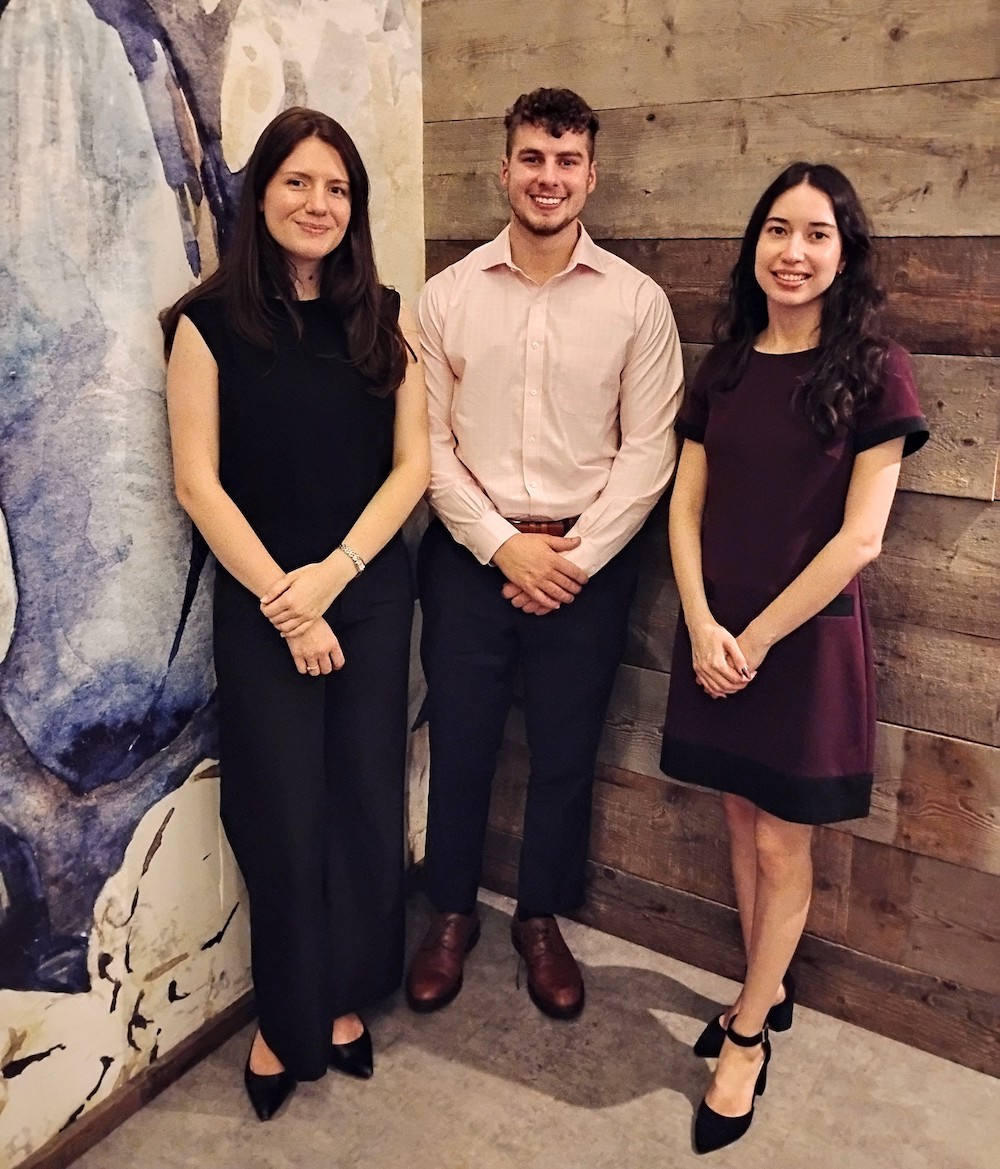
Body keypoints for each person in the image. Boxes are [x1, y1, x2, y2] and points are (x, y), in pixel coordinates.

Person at [162, 107, 429, 1121]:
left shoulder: (381, 317)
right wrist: (289, 596)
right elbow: (197, 483)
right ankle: (285, 1014)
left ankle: (349, 995)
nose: (318, 205)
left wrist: (338, 574)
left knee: (364, 797)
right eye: (298, 183)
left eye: (338, 189)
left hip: (364, 595)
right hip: (262, 601)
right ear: (260, 195)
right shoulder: (208, 323)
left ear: (352, 208)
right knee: (279, 810)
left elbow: (413, 466)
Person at [660, 161, 928, 1153]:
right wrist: (697, 622)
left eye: (817, 233)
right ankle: (761, 991)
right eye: (778, 229)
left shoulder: (874, 367)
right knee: (738, 818)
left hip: (801, 648)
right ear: (754, 244)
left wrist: (756, 637)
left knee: (783, 840)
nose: (794, 250)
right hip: (715, 635)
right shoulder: (724, 365)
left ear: (843, 252)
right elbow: (682, 506)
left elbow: (860, 538)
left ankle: (745, 1034)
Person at [408, 88, 684, 1020]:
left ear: (592, 176)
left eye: (567, 162)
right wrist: (500, 548)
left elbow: (651, 451)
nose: (549, 177)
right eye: (533, 158)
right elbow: (429, 449)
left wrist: (571, 557)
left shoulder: (637, 305)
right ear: (505, 168)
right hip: (467, 554)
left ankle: (538, 917)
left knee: (566, 751)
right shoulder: (444, 298)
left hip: (587, 561)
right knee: (463, 741)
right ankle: (449, 911)